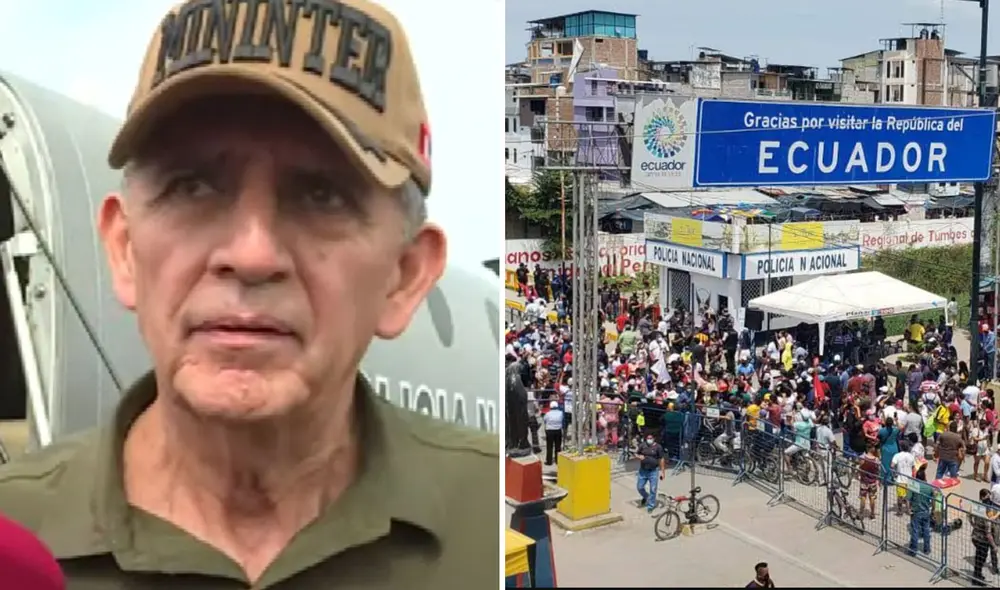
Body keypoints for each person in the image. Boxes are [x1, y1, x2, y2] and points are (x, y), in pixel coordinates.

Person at [0, 2, 499, 586]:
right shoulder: (16, 539)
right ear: (125, 249)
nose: (253, 254)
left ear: (406, 274)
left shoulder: (492, 526)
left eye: (321, 195)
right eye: (193, 187)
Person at [635, 434, 666, 513]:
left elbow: (661, 459)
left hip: (653, 471)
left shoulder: (658, 447)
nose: (649, 440)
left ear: (653, 439)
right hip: (643, 470)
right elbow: (636, 453)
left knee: (653, 489)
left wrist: (662, 472)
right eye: (648, 438)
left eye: (650, 438)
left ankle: (650, 505)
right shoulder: (642, 445)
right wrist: (639, 456)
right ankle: (646, 496)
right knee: (640, 487)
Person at [544, 401, 565, 466]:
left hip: (549, 431)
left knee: (549, 446)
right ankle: (557, 460)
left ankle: (549, 461)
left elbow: (545, 421)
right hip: (558, 430)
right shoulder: (561, 413)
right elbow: (562, 420)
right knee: (558, 446)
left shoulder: (547, 414)